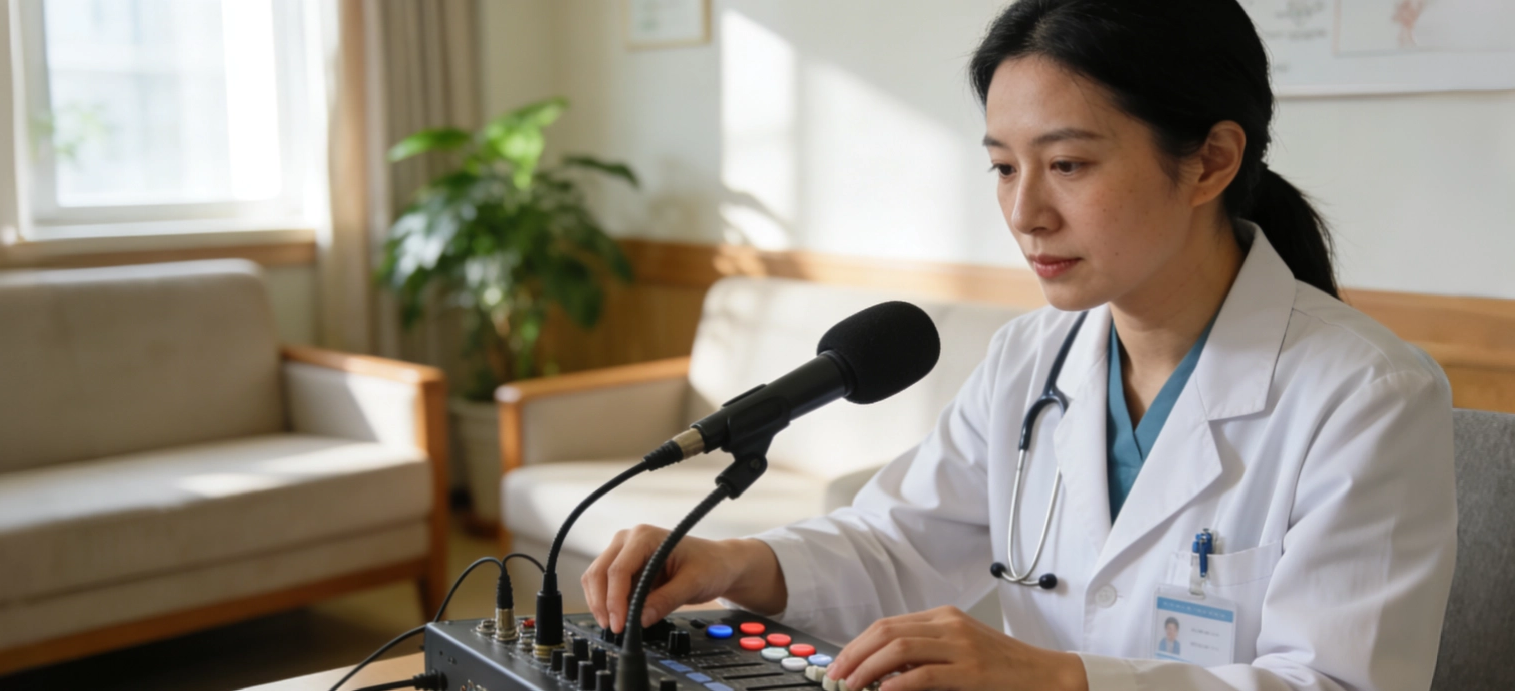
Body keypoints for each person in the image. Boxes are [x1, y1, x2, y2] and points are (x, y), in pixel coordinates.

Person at [580, 1, 1458, 690]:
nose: (1025, 212)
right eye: (1004, 166)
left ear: (1211, 161)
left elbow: (1336, 681)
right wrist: (737, 561)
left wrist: (1059, 678)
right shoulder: (1031, 359)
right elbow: (901, 541)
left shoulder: (1367, 395)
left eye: (1067, 165)